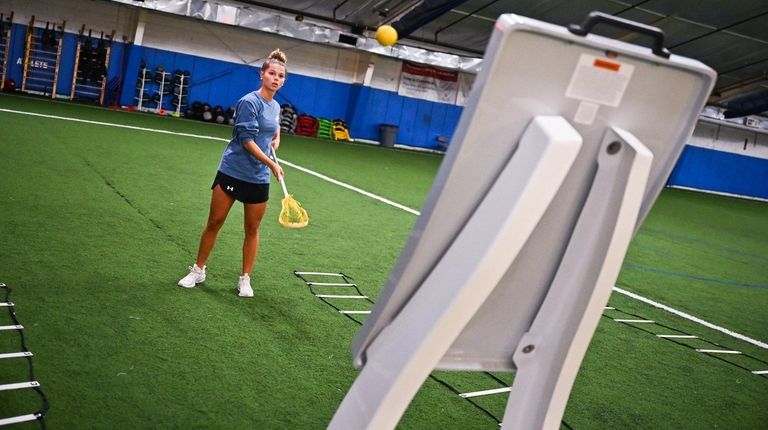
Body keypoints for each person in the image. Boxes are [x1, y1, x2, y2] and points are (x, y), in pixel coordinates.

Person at [177, 49, 287, 298]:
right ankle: (198, 270)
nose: (276, 78)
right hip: (233, 171)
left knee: (252, 230)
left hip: (257, 179)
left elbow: (274, 129)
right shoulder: (250, 102)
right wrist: (271, 164)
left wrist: (275, 141)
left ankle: (245, 279)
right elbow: (247, 140)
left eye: (280, 76)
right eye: (272, 73)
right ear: (262, 75)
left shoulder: (276, 106)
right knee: (215, 222)